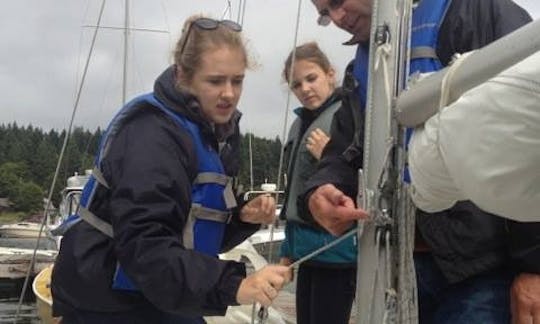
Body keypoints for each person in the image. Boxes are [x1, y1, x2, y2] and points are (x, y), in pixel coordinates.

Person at [302, 0, 540, 323]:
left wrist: (533, 266)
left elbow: (529, 140)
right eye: (325, 15)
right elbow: (343, 152)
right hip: (392, 271)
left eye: (336, 2)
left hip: (483, 275)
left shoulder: (480, 13)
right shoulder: (366, 67)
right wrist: (321, 190)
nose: (338, 17)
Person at [51, 15, 290, 324]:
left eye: (237, 80)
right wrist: (234, 285)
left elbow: (192, 233)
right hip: (110, 303)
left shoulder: (211, 134)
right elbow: (145, 245)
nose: (229, 93)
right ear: (183, 76)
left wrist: (241, 218)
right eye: (215, 81)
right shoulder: (152, 136)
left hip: (160, 297)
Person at [277, 42, 357, 324]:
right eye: (297, 84)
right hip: (306, 255)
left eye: (311, 78)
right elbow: (295, 194)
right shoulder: (299, 125)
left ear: (330, 74)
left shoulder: (346, 118)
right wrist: (286, 253)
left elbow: (366, 177)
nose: (305, 89)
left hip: (337, 254)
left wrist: (330, 155)